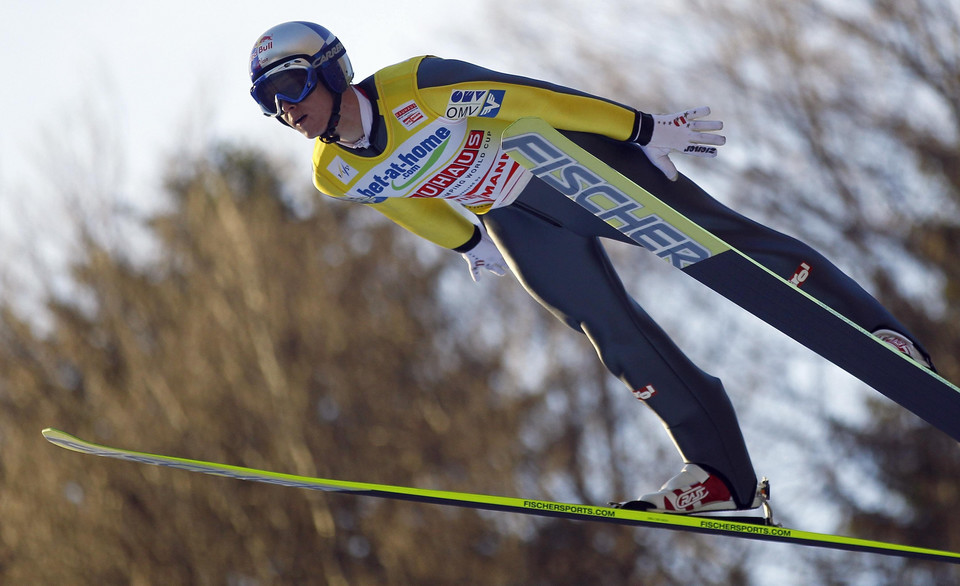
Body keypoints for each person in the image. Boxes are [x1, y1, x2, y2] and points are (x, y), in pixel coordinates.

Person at [247, 21, 935, 513]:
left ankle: (875, 333)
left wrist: (641, 128)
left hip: (565, 164)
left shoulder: (418, 86)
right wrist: (465, 244)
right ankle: (721, 475)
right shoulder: (333, 173)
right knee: (609, 332)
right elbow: (398, 200)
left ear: (333, 72)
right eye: (269, 102)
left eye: (293, 86)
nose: (286, 109)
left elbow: (534, 98)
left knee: (714, 240)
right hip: (512, 218)